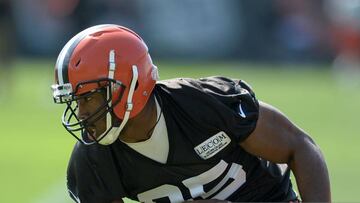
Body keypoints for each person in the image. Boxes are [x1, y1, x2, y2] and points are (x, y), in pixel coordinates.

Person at [51, 24, 331, 203]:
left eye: (88, 97)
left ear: (131, 84)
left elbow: (300, 147)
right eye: (76, 100)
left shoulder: (204, 104)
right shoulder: (92, 160)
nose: (82, 111)